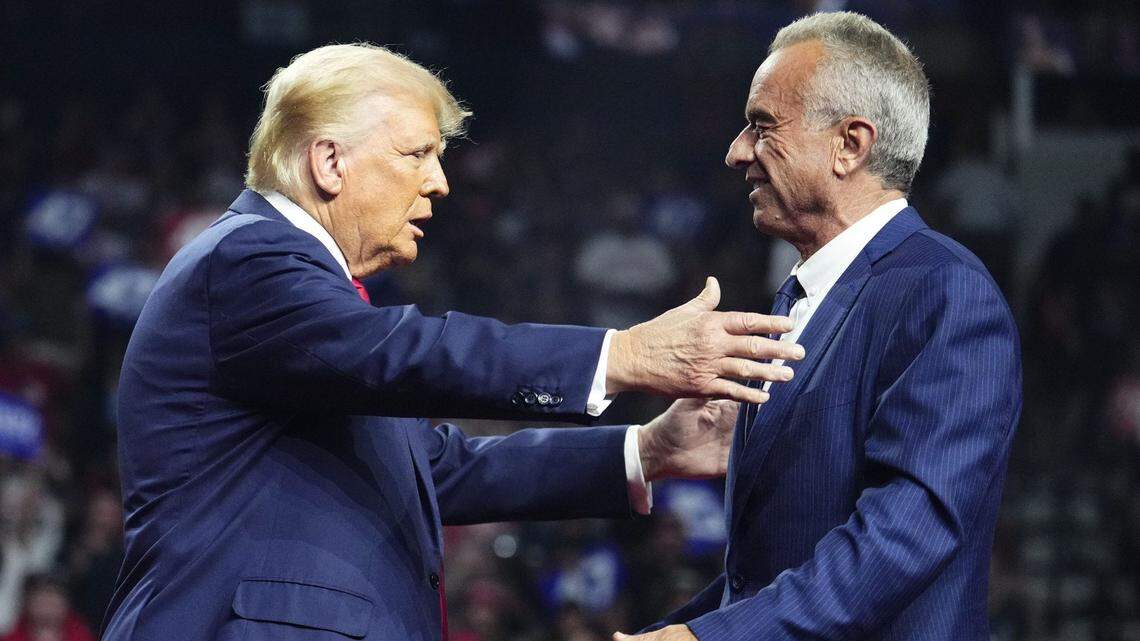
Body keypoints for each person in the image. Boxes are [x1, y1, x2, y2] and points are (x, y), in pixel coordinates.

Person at [101, 44, 805, 641]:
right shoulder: (247, 259)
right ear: (330, 162)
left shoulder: (313, 304)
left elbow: (435, 471)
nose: (439, 183)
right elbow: (408, 352)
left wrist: (647, 450)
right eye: (417, 154)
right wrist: (622, 355)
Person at [620, 12, 1021, 641]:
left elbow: (905, 532)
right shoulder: (801, 298)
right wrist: (675, 632)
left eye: (762, 126)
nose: (737, 152)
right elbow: (762, 571)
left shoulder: (944, 291)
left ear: (850, 145)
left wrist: (709, 639)